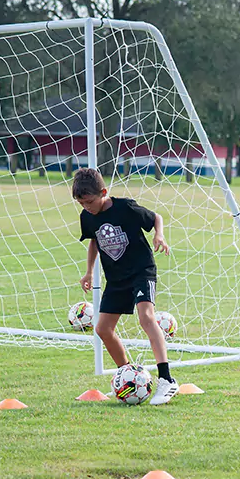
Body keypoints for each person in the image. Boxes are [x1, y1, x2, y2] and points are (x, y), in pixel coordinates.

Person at [73, 167, 179, 405]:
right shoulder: (87, 216)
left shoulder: (126, 208)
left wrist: (159, 235)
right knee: (102, 329)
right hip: (116, 278)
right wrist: (88, 271)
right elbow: (94, 241)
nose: (86, 207)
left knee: (146, 317)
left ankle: (166, 379)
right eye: (81, 203)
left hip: (141, 270)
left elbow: (156, 218)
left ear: (103, 192)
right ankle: (129, 376)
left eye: (90, 202)